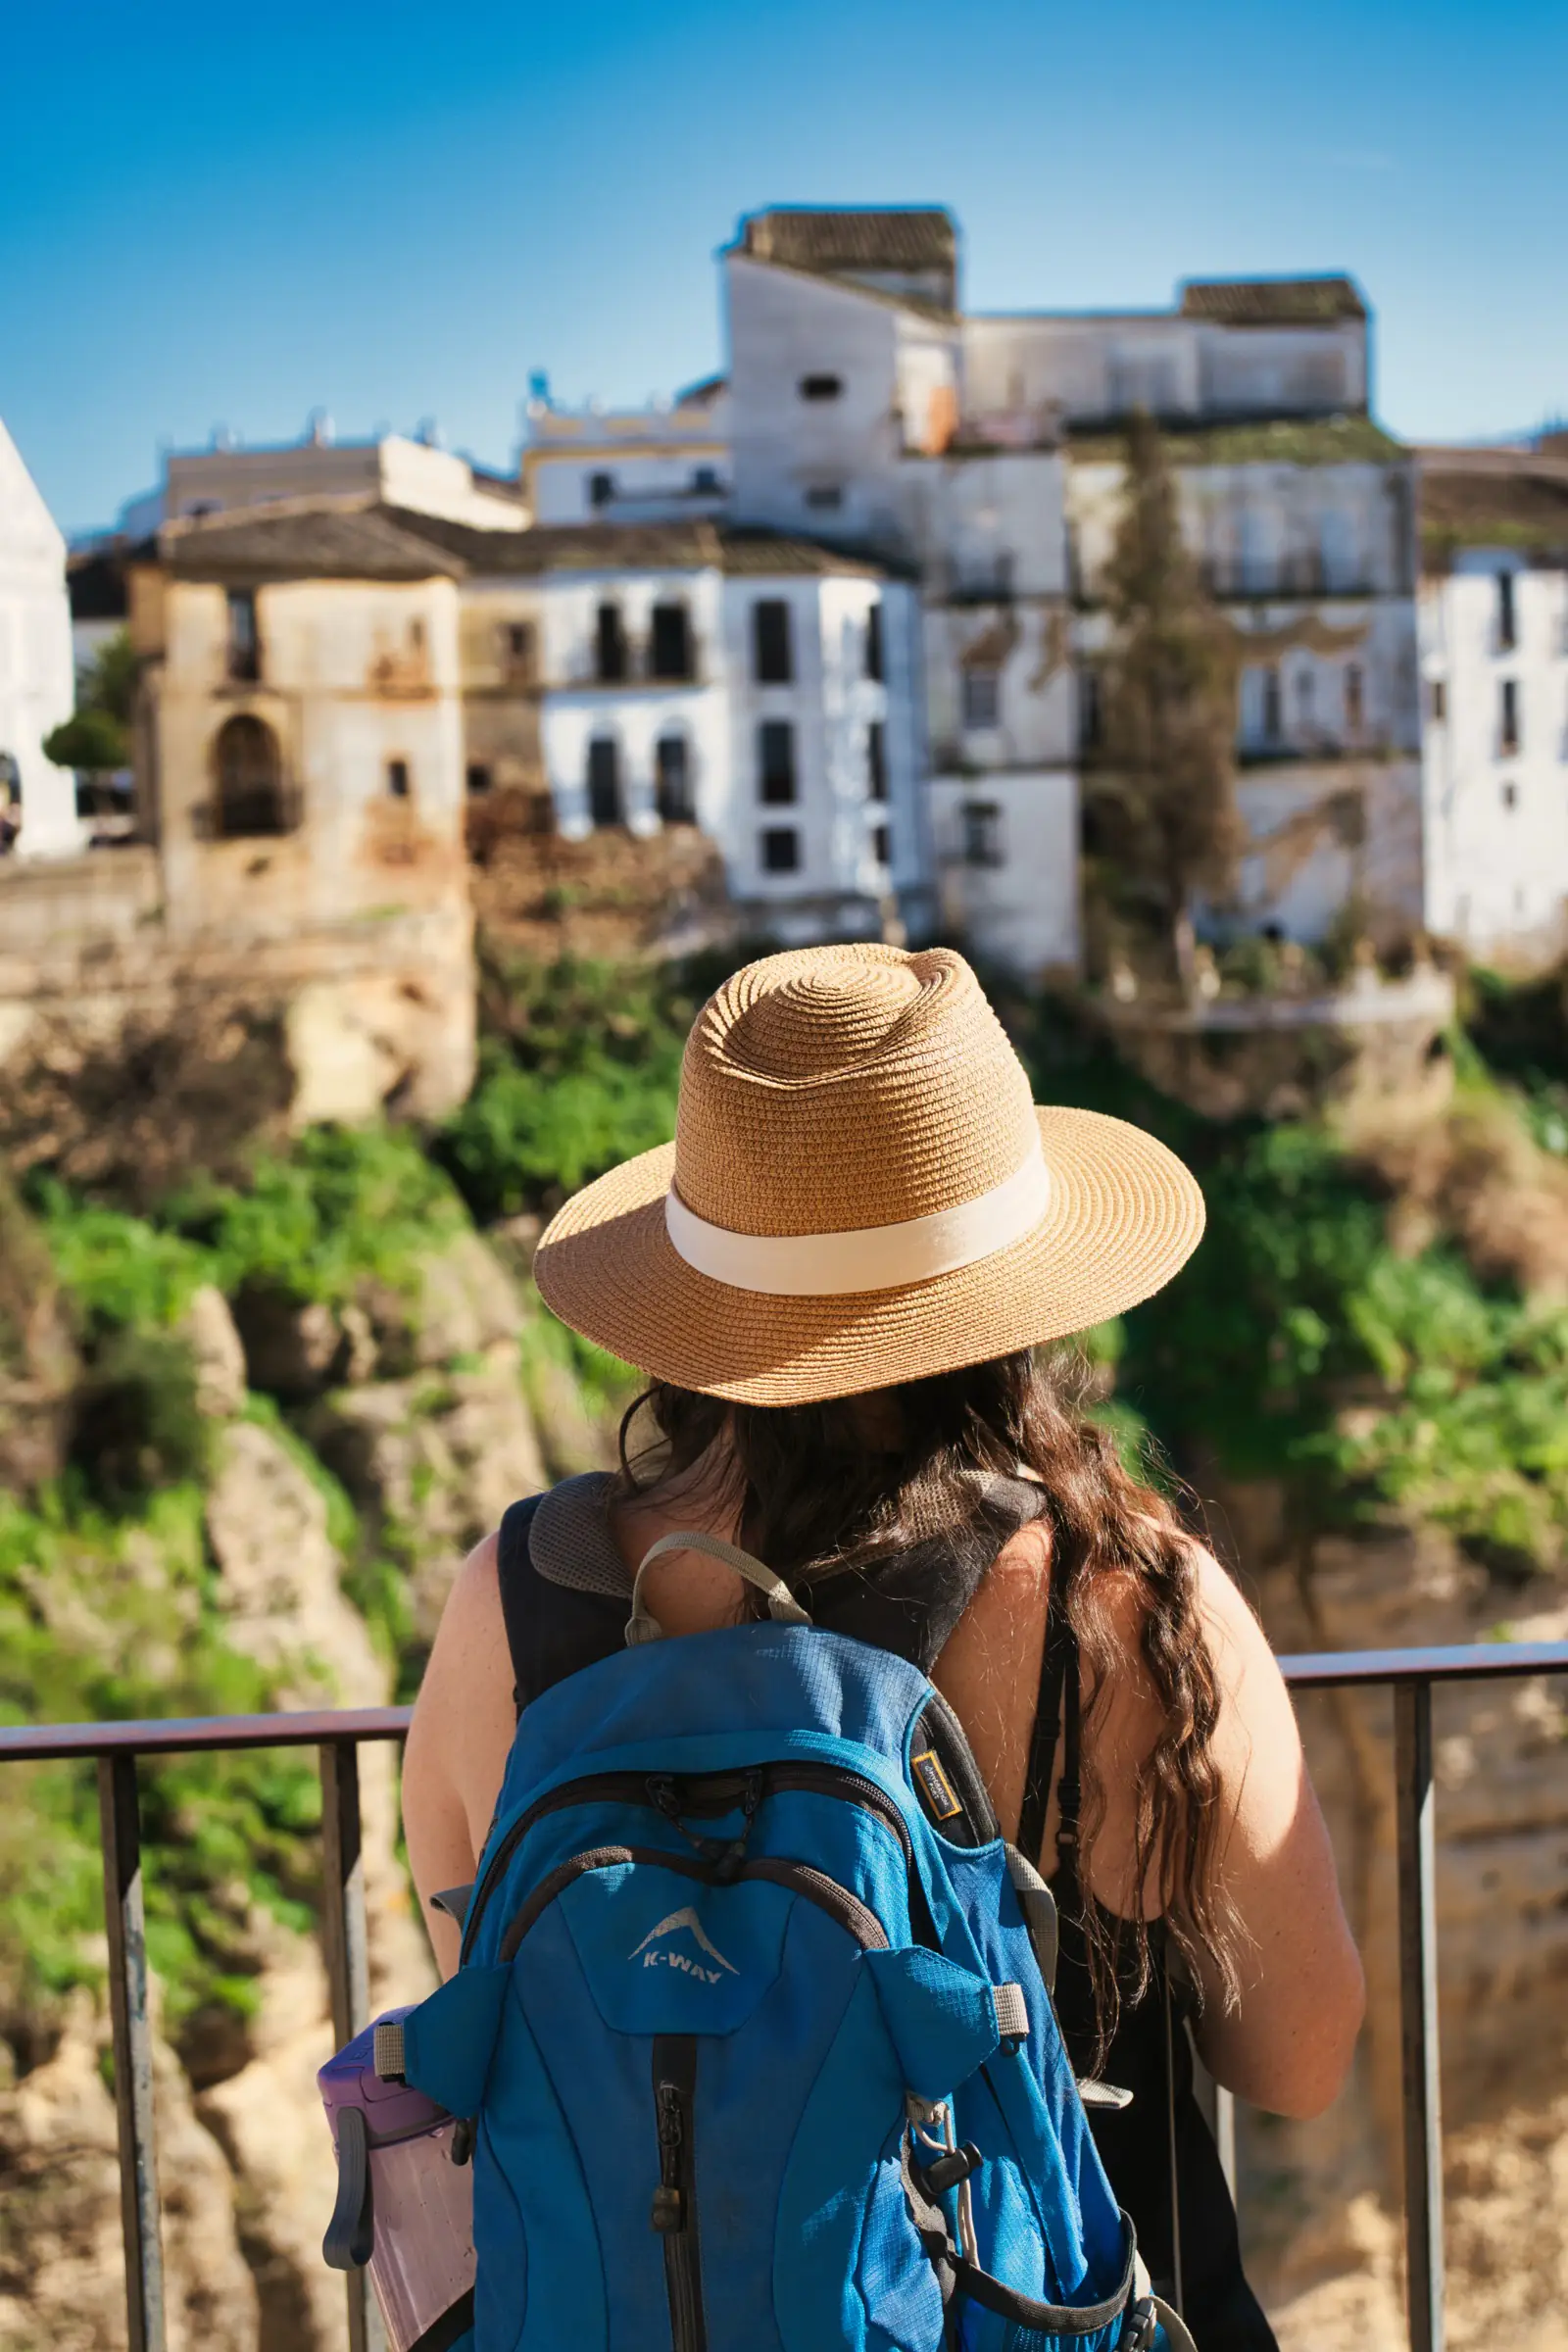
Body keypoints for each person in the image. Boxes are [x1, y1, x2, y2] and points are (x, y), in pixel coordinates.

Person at [403, 942, 1363, 2351]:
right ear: (1014, 1295)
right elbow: (1301, 2059)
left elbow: (486, 2017)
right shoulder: (1118, 1603)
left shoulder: (514, 1597)